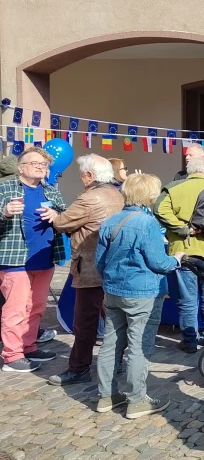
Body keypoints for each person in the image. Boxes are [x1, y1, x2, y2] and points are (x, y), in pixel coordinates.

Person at [96, 174, 183, 418]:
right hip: (142, 293)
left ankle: (106, 396)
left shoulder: (111, 220)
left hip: (113, 290)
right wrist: (175, 260)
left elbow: (100, 262)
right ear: (150, 196)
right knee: (138, 346)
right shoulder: (147, 223)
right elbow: (159, 262)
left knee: (110, 344)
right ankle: (136, 401)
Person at [44, 155, 124, 386]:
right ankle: (115, 362)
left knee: (85, 321)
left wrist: (53, 216)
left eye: (81, 175)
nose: (80, 179)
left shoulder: (89, 198)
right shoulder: (117, 193)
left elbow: (62, 223)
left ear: (90, 175)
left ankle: (79, 368)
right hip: (113, 265)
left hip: (90, 266)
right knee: (113, 318)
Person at [0, 148, 66, 372]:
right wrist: (4, 212)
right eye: (35, 163)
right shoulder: (5, 188)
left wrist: (57, 217)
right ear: (20, 167)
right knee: (15, 310)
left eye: (44, 164)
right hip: (14, 259)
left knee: (35, 307)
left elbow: (65, 218)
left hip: (44, 259)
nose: (40, 167)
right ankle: (12, 355)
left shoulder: (51, 191)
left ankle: (28, 346)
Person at [155, 157, 204, 353]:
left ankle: (190, 340)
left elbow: (159, 209)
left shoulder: (174, 188)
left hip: (183, 250)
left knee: (187, 298)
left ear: (189, 170)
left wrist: (183, 228)